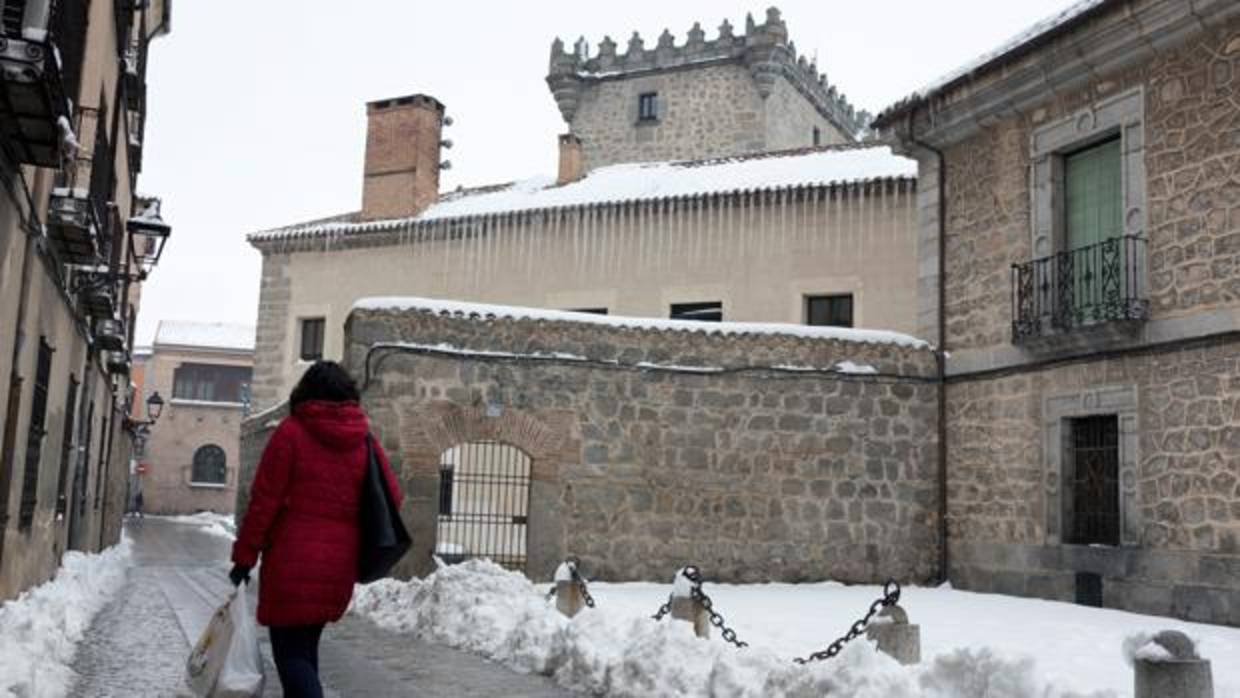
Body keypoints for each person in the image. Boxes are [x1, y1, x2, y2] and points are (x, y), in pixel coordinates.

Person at [229, 361, 402, 698]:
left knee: (291, 656)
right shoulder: (363, 439)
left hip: (291, 565)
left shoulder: (291, 433)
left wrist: (244, 558)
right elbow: (392, 494)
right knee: (305, 651)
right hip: (338, 565)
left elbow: (264, 502)